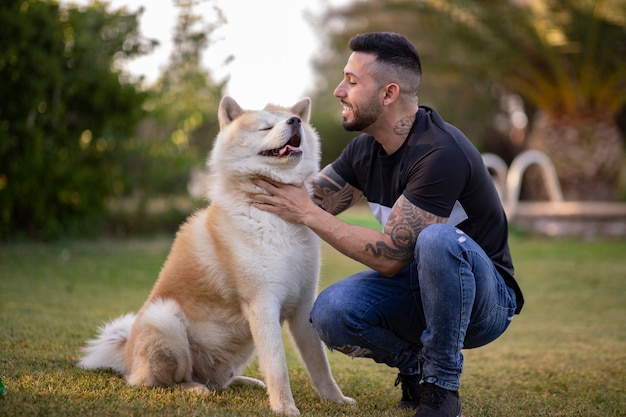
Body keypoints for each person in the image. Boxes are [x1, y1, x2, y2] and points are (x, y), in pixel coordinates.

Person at [250, 32, 524, 417]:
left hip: (484, 301)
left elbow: (391, 256)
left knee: (437, 240)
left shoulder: (439, 152)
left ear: (389, 93)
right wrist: (247, 162)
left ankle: (441, 388)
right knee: (330, 312)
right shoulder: (365, 150)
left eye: (352, 80)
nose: (338, 90)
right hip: (416, 289)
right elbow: (303, 197)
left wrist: (310, 215)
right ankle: (413, 366)